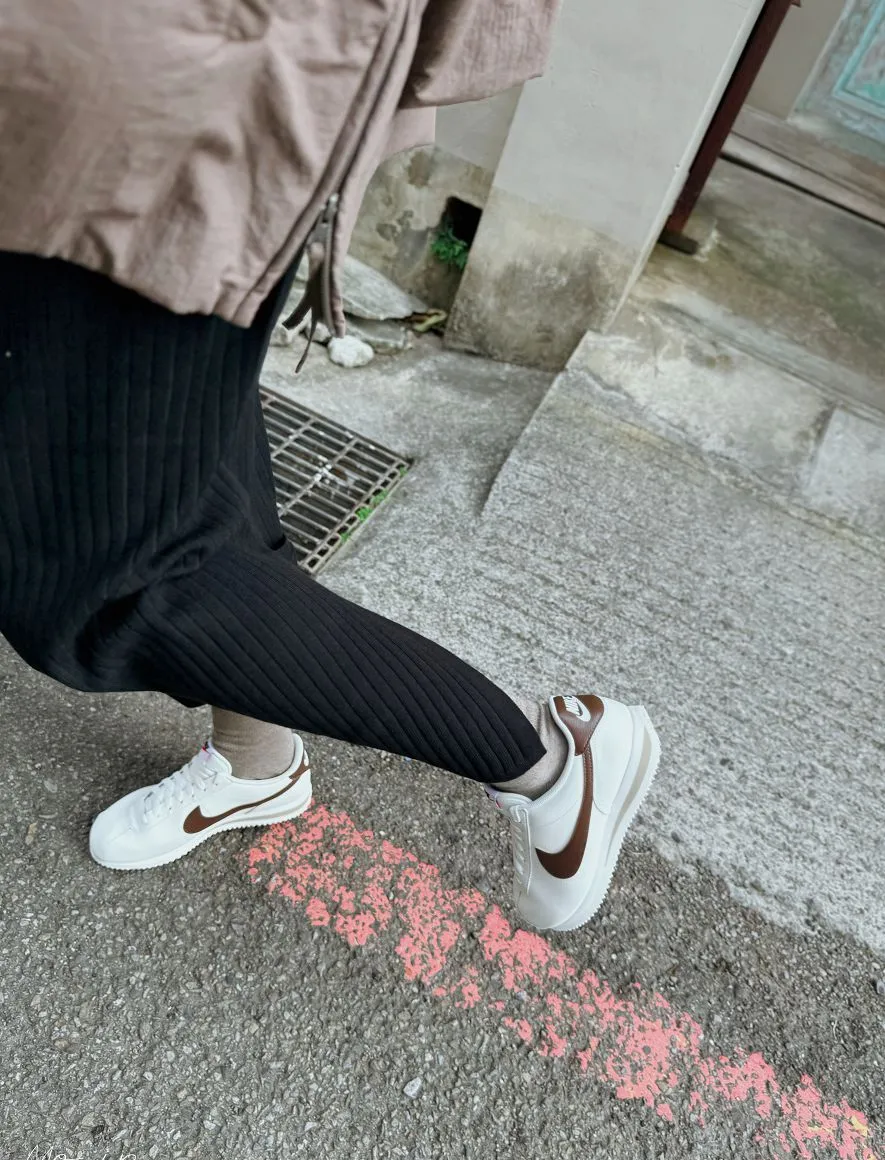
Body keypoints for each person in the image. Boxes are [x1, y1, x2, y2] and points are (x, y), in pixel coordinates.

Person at [0, 0, 659, 933]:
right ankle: (256, 761)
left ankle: (551, 766)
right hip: (142, 73)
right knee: (203, 481)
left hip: (148, 80)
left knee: (106, 574)